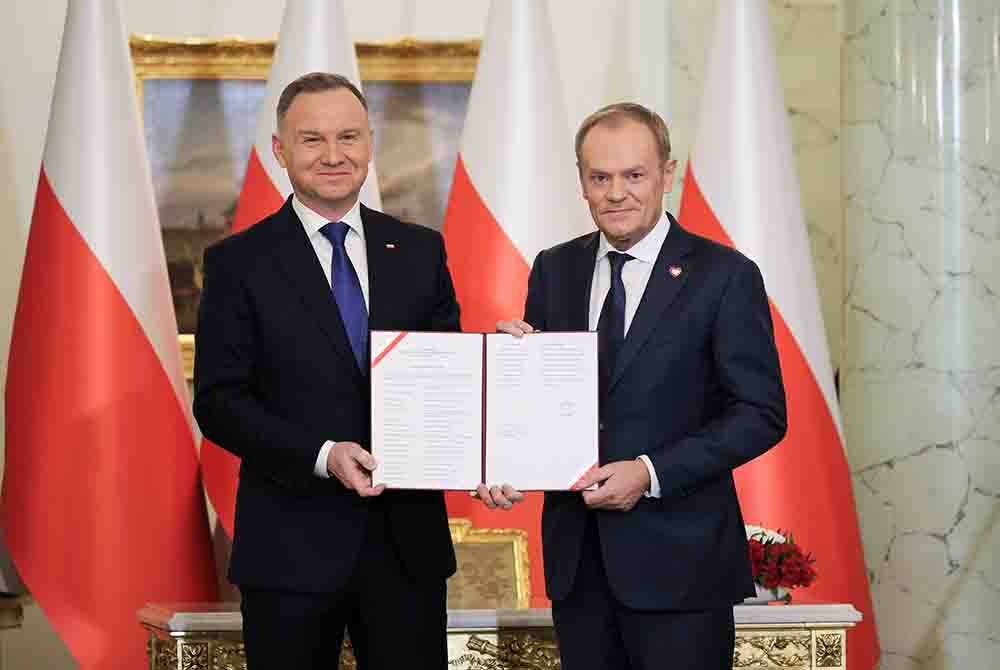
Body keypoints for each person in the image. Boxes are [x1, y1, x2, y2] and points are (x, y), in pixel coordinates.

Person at [484, 102, 787, 670]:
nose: (616, 193)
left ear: (666, 175)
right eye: (600, 177)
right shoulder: (555, 269)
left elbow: (760, 412)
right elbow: (547, 404)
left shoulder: (725, 276)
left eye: (634, 175)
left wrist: (649, 472)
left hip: (683, 569)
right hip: (580, 566)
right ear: (581, 181)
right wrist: (502, 406)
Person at [194, 72, 461, 670]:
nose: (334, 155)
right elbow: (218, 401)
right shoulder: (238, 263)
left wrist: (505, 366)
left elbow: (448, 379)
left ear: (370, 143)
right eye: (312, 140)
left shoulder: (420, 251)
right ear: (280, 150)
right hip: (289, 548)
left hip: (406, 548)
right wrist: (322, 453)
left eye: (349, 137)